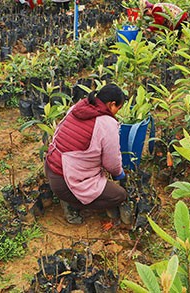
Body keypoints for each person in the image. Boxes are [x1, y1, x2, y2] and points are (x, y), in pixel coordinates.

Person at [45, 84, 128, 224]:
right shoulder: (106, 123)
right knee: (119, 195)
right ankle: (72, 204)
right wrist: (119, 174)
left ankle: (67, 196)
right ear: (111, 104)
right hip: (66, 179)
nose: (116, 113)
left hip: (51, 167)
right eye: (117, 108)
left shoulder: (77, 108)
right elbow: (111, 163)